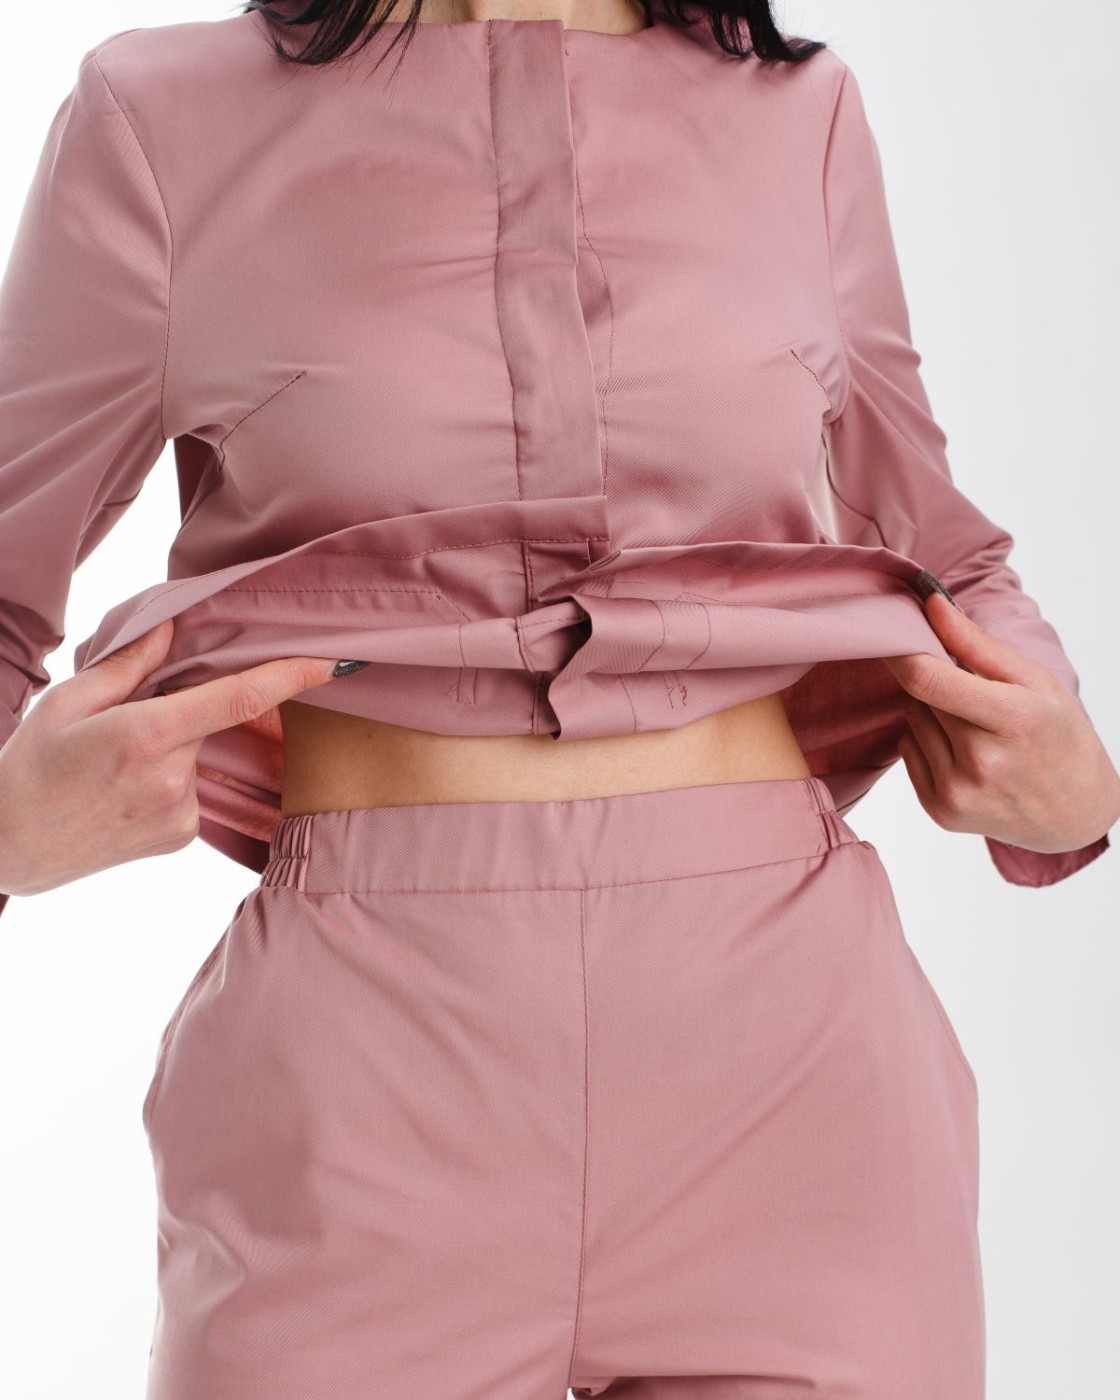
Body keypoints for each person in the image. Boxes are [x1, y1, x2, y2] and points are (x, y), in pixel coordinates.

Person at [0, 1, 1116, 1395]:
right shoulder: (159, 119)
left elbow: (946, 546)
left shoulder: (802, 113)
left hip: (794, 1057)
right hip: (361, 1072)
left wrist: (1077, 777)